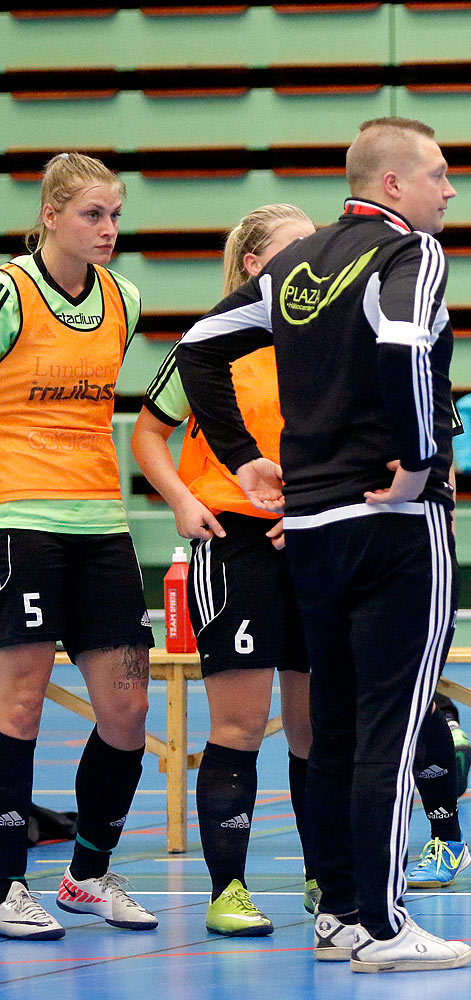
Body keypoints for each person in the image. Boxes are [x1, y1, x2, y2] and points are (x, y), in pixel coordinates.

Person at [176, 117, 471, 972]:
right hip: (392, 526)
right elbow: (410, 346)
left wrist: (243, 460)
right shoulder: (407, 254)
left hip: (308, 528)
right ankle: (385, 927)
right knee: (389, 723)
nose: (448, 191)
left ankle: (340, 910)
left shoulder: (298, 265)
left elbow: (197, 349)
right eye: (439, 175)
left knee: (335, 725)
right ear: (393, 185)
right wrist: (419, 468)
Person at [132, 204, 319, 935]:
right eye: (296, 249)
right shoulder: (214, 342)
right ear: (253, 266)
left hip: (310, 539)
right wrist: (180, 498)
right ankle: (229, 890)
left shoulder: (327, 338)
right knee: (239, 727)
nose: (315, 259)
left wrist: (309, 507)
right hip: (233, 544)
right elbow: (149, 433)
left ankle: (323, 877)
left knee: (314, 730)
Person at [0, 153, 157, 941]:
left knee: (128, 709)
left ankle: (86, 875)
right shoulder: (8, 291)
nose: (108, 230)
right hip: (17, 521)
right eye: (93, 214)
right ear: (52, 215)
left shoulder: (125, 298)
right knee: (19, 706)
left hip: (102, 526)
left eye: (116, 215)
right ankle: (5, 884)